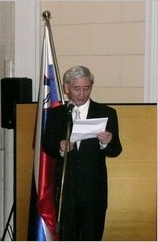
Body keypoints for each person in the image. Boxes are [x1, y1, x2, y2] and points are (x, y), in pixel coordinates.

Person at [43, 66, 123, 240]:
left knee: (92, 235)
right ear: (66, 88)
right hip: (66, 189)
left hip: (94, 190)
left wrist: (106, 142)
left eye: (87, 88)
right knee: (67, 235)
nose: (82, 93)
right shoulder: (57, 114)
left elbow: (116, 150)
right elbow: (46, 145)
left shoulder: (106, 112)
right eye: (76, 88)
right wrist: (60, 147)